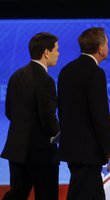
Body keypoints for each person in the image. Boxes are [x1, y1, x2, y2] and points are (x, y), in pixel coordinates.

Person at [57, 27, 110, 200]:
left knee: (86, 192)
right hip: (88, 150)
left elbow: (62, 109)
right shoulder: (95, 73)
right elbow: (99, 116)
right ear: (100, 48)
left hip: (71, 148)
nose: (108, 47)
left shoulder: (66, 70)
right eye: (107, 43)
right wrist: (109, 149)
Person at [1, 32, 60, 200]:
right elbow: (48, 118)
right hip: (41, 153)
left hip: (17, 150)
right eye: (56, 49)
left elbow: (9, 112)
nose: (58, 53)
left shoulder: (16, 76)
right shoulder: (45, 80)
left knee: (17, 194)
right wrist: (61, 134)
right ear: (46, 52)